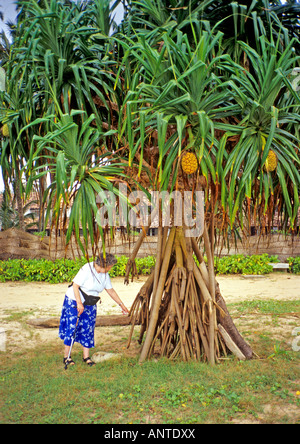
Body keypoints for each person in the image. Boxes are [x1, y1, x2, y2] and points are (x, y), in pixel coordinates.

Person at [59, 253, 129, 367]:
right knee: (72, 326)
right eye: (110, 266)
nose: (110, 269)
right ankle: (66, 357)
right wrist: (79, 303)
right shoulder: (87, 269)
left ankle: (86, 357)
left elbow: (110, 290)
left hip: (90, 302)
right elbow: (75, 286)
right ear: (104, 265)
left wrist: (121, 305)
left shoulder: (105, 275)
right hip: (74, 300)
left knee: (88, 328)